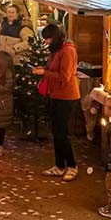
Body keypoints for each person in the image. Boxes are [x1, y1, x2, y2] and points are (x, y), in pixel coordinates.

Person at [32, 24, 80, 182]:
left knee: (62, 133)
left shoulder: (68, 51)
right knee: (56, 132)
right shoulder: (56, 50)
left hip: (67, 97)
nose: (45, 42)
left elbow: (64, 76)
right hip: (55, 95)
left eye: (47, 39)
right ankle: (59, 165)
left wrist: (44, 73)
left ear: (55, 38)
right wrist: (43, 69)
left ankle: (72, 165)